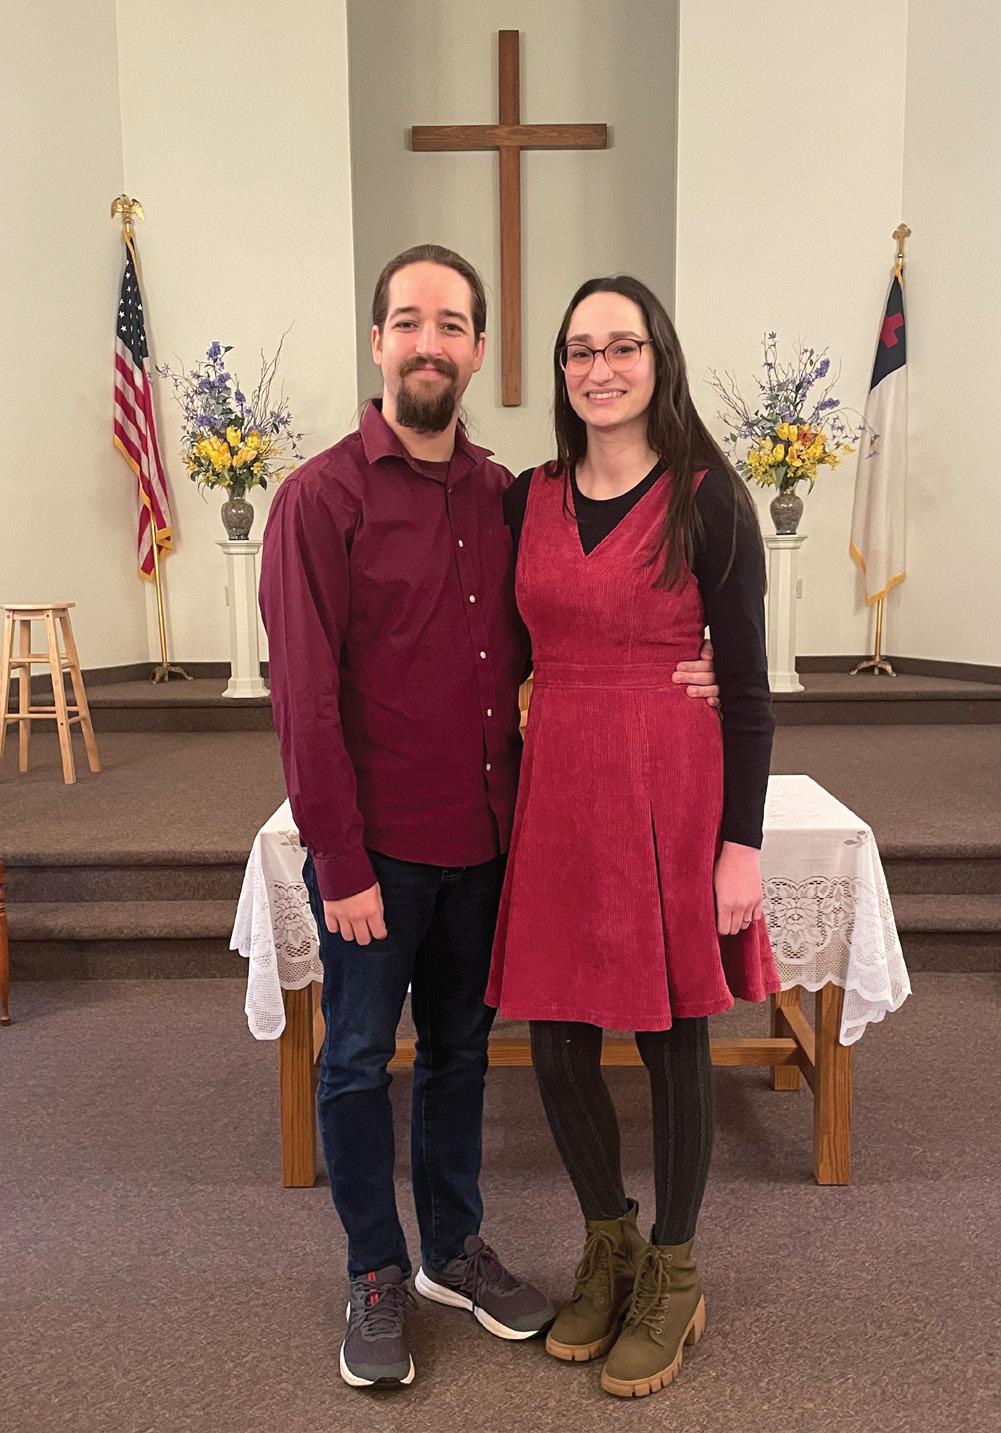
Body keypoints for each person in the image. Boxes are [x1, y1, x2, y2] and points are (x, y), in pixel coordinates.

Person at [258, 245, 721, 1390]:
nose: (430, 342)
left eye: (452, 324)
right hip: (376, 854)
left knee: (462, 1055)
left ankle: (453, 1247)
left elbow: (567, 626)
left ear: (477, 351)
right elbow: (303, 697)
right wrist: (339, 858)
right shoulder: (320, 498)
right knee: (356, 1061)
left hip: (489, 839)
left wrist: (694, 660)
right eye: (410, 321)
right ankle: (375, 1268)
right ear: (378, 341)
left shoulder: (505, 494)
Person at [486, 275, 780, 1400]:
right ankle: (606, 1242)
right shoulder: (527, 498)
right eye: (578, 350)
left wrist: (741, 843)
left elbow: (746, 690)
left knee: (670, 1032)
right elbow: (500, 648)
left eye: (621, 346)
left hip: (671, 785)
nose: (598, 368)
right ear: (561, 370)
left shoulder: (710, 499)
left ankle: (675, 1267)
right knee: (556, 1031)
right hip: (560, 782)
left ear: (659, 358)